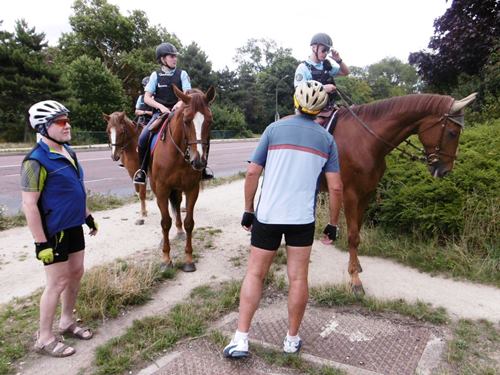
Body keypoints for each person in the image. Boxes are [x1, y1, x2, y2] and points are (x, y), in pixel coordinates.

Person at [223, 80, 343, 358]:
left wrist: (248, 209)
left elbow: (252, 172)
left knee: (255, 273)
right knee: (298, 278)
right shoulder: (327, 140)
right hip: (302, 219)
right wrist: (333, 224)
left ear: (295, 103)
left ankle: (241, 339)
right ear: (321, 110)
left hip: (268, 216)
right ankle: (291, 340)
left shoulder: (273, 130)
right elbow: (336, 187)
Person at [21, 100, 98, 357]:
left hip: (74, 225)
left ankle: (66, 321)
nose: (68, 126)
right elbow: (29, 205)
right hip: (54, 231)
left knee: (76, 272)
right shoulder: (35, 161)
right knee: (57, 282)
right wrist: (40, 243)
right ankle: (44, 338)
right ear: (44, 127)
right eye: (61, 122)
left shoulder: (69, 152)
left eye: (68, 120)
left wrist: (87, 216)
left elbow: (75, 188)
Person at [133, 42, 213, 184]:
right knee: (143, 138)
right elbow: (147, 97)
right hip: (160, 114)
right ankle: (142, 171)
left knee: (201, 134)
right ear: (163, 59)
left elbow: (188, 95)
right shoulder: (155, 75)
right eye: (171, 56)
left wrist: (178, 104)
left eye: (175, 56)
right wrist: (161, 107)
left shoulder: (182, 74)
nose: (175, 59)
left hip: (180, 112)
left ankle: (203, 168)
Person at [294, 33, 350, 109]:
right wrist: (323, 88)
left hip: (329, 107)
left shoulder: (326, 65)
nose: (326, 53)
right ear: (314, 48)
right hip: (310, 110)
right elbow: (300, 92)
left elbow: (346, 72)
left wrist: (339, 60)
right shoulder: (303, 68)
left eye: (327, 50)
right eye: (323, 50)